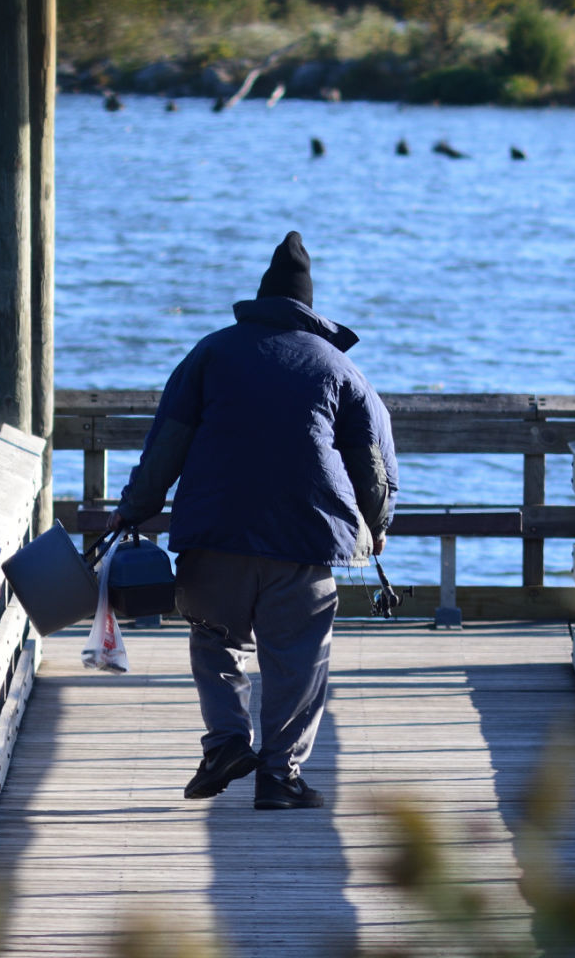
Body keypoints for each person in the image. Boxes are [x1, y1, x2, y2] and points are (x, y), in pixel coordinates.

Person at [109, 232, 397, 810]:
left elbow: (166, 444)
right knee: (297, 657)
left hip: (213, 534)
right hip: (306, 539)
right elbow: (374, 465)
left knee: (215, 639)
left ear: (261, 299)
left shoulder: (211, 354)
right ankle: (280, 776)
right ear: (310, 309)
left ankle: (226, 743)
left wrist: (134, 509)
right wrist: (376, 526)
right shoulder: (339, 368)